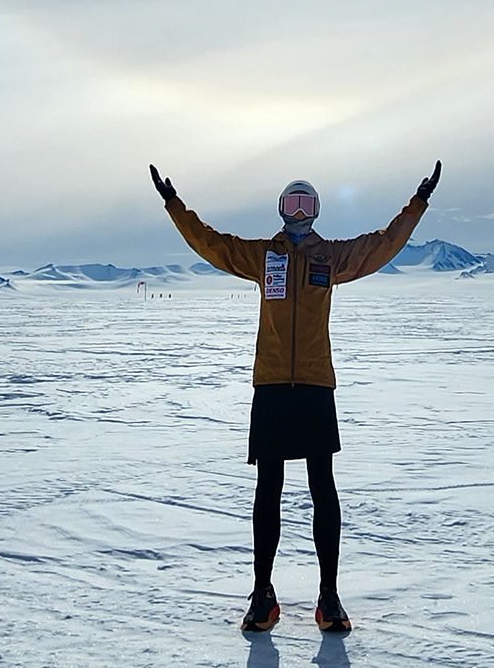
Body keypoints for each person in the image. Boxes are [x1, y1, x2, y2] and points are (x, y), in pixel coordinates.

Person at [150, 160, 442, 634]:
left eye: (307, 204)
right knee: (269, 489)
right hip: (270, 386)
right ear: (282, 211)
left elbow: (384, 244)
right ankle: (262, 594)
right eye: (292, 204)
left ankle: (329, 596)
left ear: (317, 212)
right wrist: (173, 205)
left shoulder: (332, 258)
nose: (299, 213)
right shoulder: (266, 256)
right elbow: (212, 244)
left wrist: (418, 203)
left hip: (313, 384)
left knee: (322, 488)